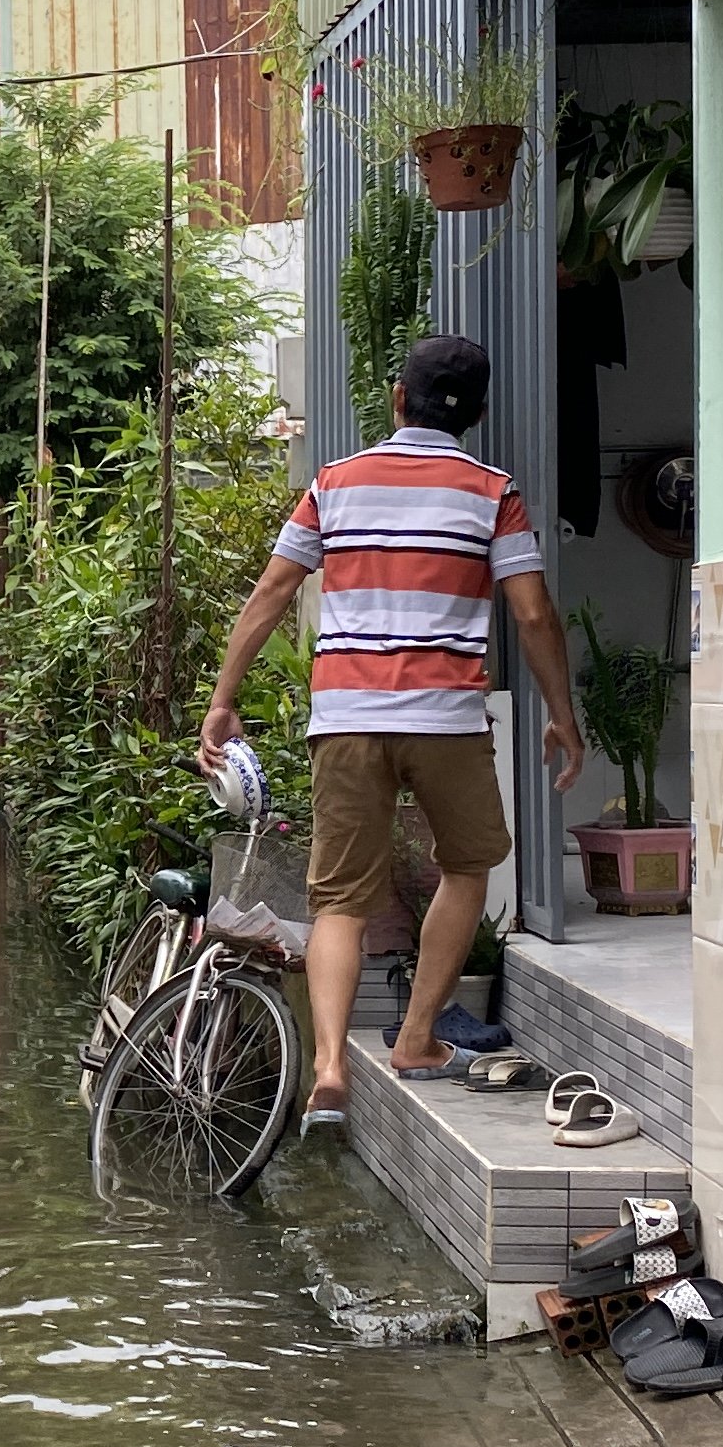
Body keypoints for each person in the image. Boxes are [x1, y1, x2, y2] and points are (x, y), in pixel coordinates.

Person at [197, 333, 582, 1130]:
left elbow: (272, 591)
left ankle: (332, 1069)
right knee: (468, 865)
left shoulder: (335, 483)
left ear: (397, 399)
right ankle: (415, 1038)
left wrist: (223, 700)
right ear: (475, 413)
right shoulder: (492, 491)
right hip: (445, 719)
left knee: (338, 900)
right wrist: (562, 715)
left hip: (346, 720)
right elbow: (534, 613)